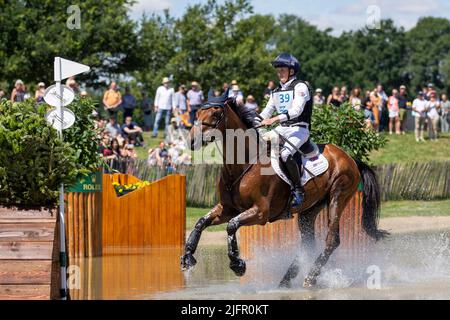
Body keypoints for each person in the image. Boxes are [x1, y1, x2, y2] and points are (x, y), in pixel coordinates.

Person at [257, 53, 312, 209]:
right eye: (278, 70)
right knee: (260, 146)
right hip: (281, 129)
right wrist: (253, 122)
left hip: (299, 129)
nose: (279, 73)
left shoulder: (301, 87)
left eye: (282, 70)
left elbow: (296, 111)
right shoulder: (275, 92)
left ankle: (298, 189)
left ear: (291, 71)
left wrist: (273, 120)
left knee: (285, 154)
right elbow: (266, 112)